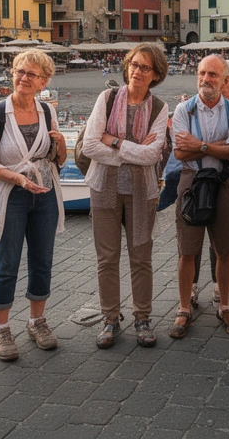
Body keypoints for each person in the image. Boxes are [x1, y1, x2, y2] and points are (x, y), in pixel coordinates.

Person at [0, 49, 69, 362]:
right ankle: (2, 329)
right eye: (20, 71)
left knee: (42, 260)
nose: (24, 78)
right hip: (10, 195)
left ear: (43, 81)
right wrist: (16, 180)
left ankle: (37, 322)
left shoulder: (47, 112)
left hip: (44, 194)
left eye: (32, 74)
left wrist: (63, 145)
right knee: (7, 265)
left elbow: (58, 160)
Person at [81, 42, 169, 349]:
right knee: (107, 258)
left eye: (145, 67)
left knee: (141, 258)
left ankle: (142, 318)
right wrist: (134, 151)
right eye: (134, 64)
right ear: (127, 66)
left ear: (156, 74)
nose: (137, 72)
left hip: (141, 191)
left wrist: (116, 142)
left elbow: (152, 156)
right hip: (103, 188)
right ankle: (110, 319)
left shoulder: (159, 107)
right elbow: (89, 146)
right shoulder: (106, 98)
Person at [169, 55, 229, 338]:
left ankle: (224, 305)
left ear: (224, 80)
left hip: (223, 182)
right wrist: (217, 146)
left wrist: (199, 145)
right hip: (192, 181)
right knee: (187, 250)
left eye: (212, 75)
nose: (205, 80)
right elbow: (179, 153)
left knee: (224, 250)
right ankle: (184, 307)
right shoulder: (183, 110)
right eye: (202, 73)